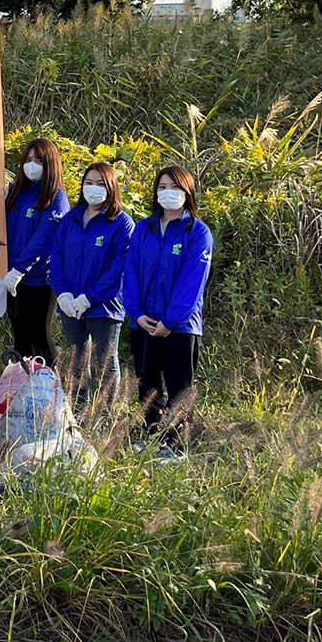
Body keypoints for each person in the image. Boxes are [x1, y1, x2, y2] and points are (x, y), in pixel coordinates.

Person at [122, 164, 214, 453]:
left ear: (187, 192)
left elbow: (192, 282)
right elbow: (131, 273)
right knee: (148, 387)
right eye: (162, 188)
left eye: (175, 187)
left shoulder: (197, 232)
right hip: (143, 323)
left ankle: (177, 447)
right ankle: (152, 439)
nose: (168, 193)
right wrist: (136, 313)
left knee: (179, 389)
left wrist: (171, 320)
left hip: (180, 327)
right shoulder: (142, 229)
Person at [50, 161, 133, 415]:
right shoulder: (70, 219)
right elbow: (57, 258)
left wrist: (89, 297)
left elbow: (119, 268)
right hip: (69, 304)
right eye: (89, 183)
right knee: (77, 361)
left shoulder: (121, 223)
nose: (93, 188)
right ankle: (79, 414)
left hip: (104, 305)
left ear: (111, 187)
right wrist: (63, 294)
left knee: (106, 363)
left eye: (100, 184)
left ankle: (104, 419)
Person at [2, 138, 69, 366]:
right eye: (28, 160)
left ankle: (51, 389)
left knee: (40, 335)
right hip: (12, 280)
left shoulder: (56, 197)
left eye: (39, 160)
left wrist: (20, 268)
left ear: (50, 164)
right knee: (21, 338)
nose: (32, 165)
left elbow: (44, 239)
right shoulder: (17, 193)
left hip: (40, 280)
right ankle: (24, 389)